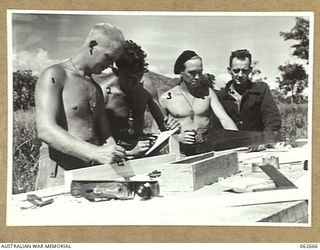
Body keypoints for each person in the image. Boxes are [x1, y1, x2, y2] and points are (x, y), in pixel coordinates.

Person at [35, 23, 126, 189]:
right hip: (59, 170)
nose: (111, 65)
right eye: (108, 57)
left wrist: (115, 153)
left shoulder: (96, 87)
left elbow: (105, 135)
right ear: (92, 45)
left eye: (114, 61)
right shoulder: (55, 75)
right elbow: (45, 129)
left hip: (89, 169)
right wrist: (94, 152)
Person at [100, 40, 180, 157]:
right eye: (129, 78)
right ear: (116, 72)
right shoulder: (104, 94)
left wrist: (172, 126)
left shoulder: (147, 86)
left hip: (142, 149)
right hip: (115, 155)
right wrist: (129, 153)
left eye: (139, 76)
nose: (135, 82)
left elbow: (164, 125)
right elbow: (99, 142)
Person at [159, 50, 238, 155]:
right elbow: (157, 133)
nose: (197, 77)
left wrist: (239, 140)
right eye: (191, 73)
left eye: (200, 72)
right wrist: (176, 137)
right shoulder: (166, 98)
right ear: (181, 72)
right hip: (180, 153)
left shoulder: (208, 93)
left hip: (207, 149)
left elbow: (224, 119)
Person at [213, 49, 281, 132]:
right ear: (229, 70)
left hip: (257, 141)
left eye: (244, 71)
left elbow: (271, 118)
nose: (240, 75)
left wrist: (267, 140)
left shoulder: (261, 90)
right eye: (236, 70)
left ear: (250, 70)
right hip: (231, 142)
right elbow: (216, 126)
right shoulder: (220, 96)